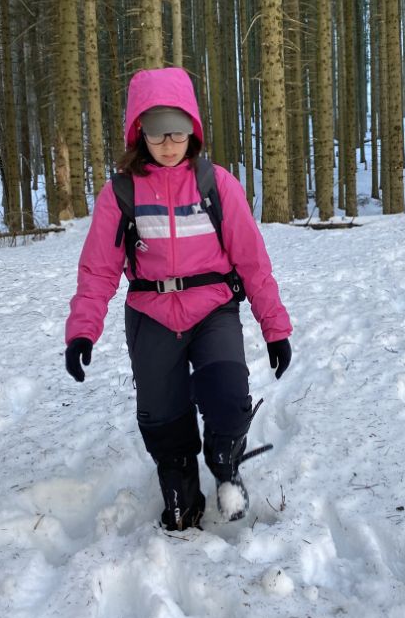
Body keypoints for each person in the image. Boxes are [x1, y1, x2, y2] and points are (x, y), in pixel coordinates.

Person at [65, 67, 292, 530]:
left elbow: (252, 262)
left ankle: (225, 465)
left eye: (177, 130)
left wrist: (276, 329)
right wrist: (82, 331)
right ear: (138, 133)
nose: (168, 143)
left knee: (229, 399)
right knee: (162, 416)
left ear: (193, 129)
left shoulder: (217, 186)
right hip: (151, 314)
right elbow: (97, 270)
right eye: (155, 132)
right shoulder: (122, 193)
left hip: (213, 309)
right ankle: (179, 486)